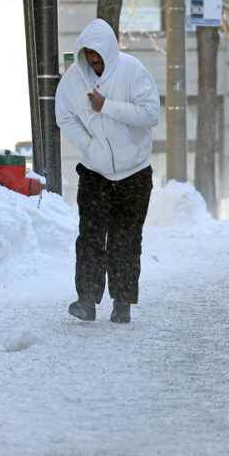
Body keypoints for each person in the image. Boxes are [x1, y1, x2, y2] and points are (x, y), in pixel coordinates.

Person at [55, 18, 159, 324]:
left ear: (110, 51)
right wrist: (88, 145)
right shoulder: (73, 80)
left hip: (135, 174)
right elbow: (64, 116)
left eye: (98, 53)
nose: (93, 59)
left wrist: (107, 106)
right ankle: (86, 300)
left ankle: (122, 303)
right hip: (94, 174)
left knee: (125, 239)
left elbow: (150, 114)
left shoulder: (132, 71)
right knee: (89, 237)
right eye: (88, 53)